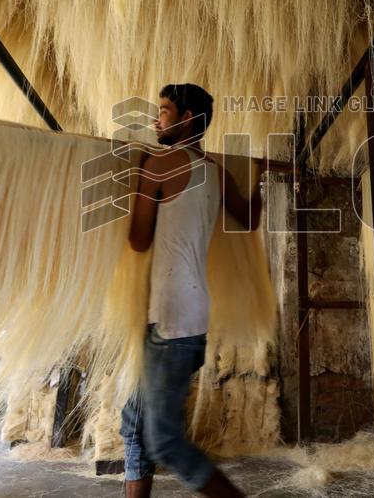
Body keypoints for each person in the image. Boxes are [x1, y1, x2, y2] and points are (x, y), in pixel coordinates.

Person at [122, 83, 263, 497]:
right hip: (188, 314)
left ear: (186, 119)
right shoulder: (216, 172)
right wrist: (259, 176)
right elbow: (250, 218)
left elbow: (138, 241)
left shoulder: (159, 165)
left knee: (164, 441)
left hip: (170, 320)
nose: (156, 120)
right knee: (134, 423)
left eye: (164, 111)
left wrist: (137, 183)